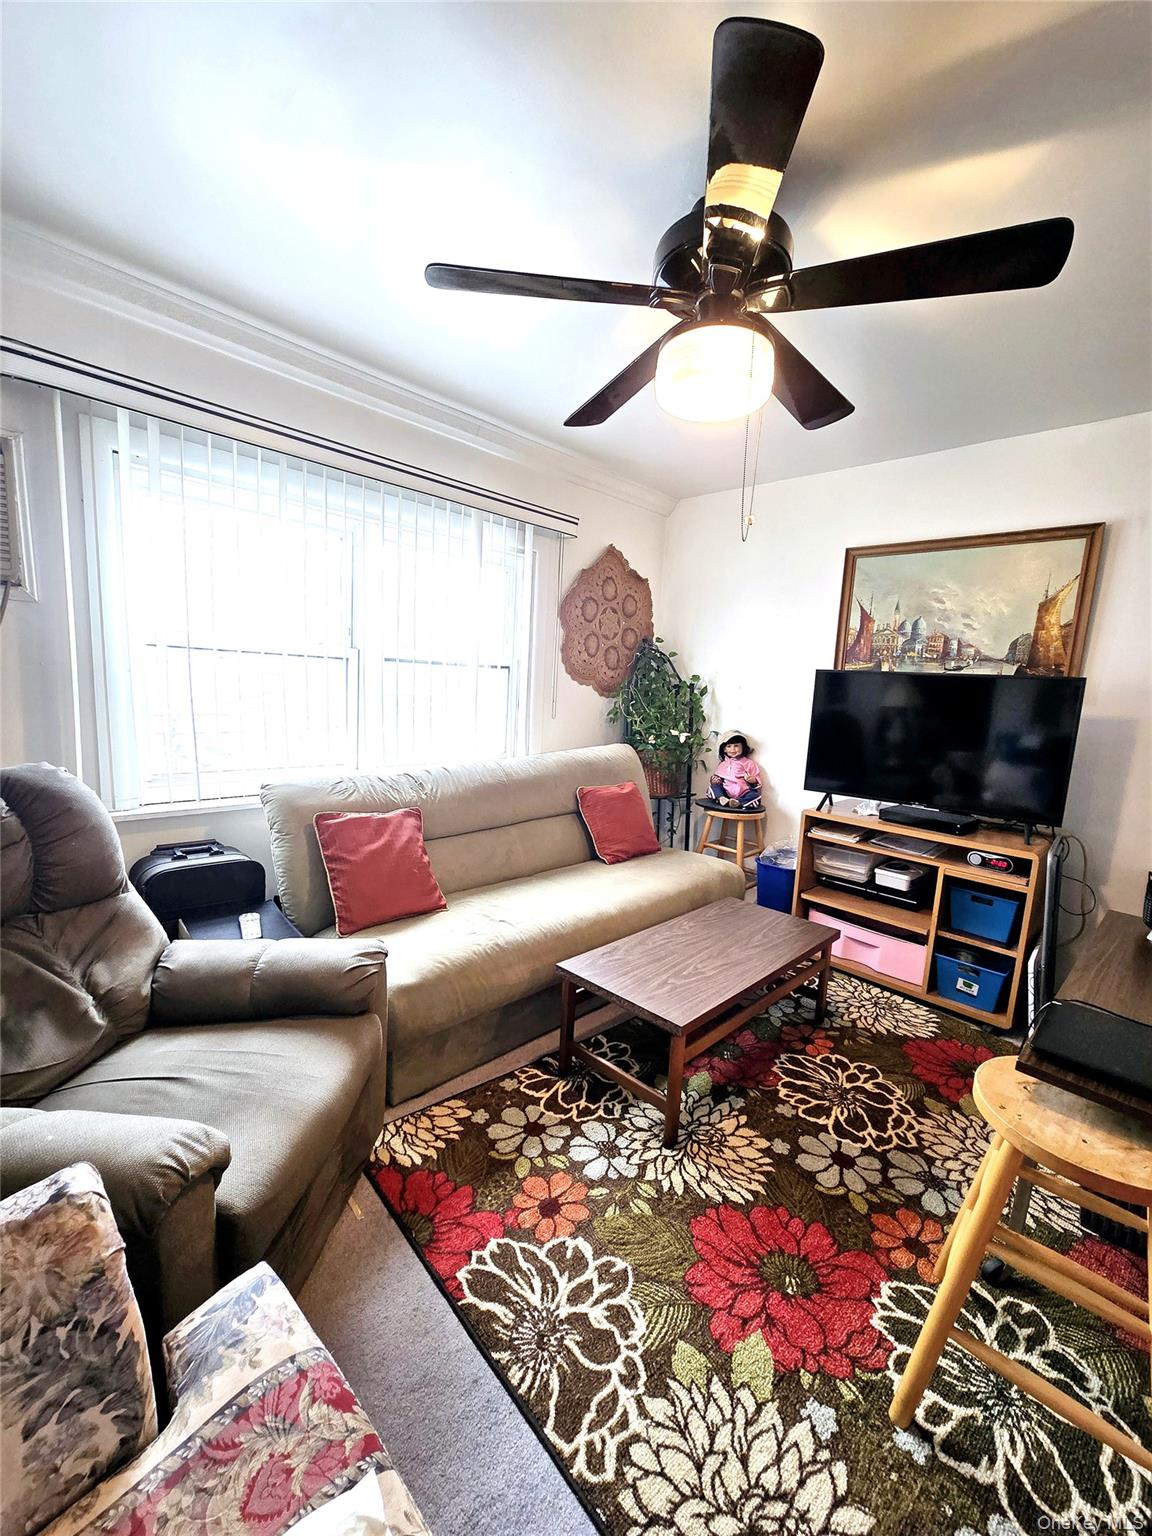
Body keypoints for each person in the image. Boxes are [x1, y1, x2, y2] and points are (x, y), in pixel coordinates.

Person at [708, 733, 763, 809]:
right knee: (714, 787)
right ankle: (721, 798)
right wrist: (715, 780)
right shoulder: (723, 764)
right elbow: (718, 778)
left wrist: (753, 780)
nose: (733, 749)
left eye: (736, 746)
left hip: (744, 792)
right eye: (729, 746)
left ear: (743, 747)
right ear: (724, 749)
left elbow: (757, 781)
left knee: (754, 796)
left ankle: (738, 803)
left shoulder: (748, 763)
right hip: (726, 792)